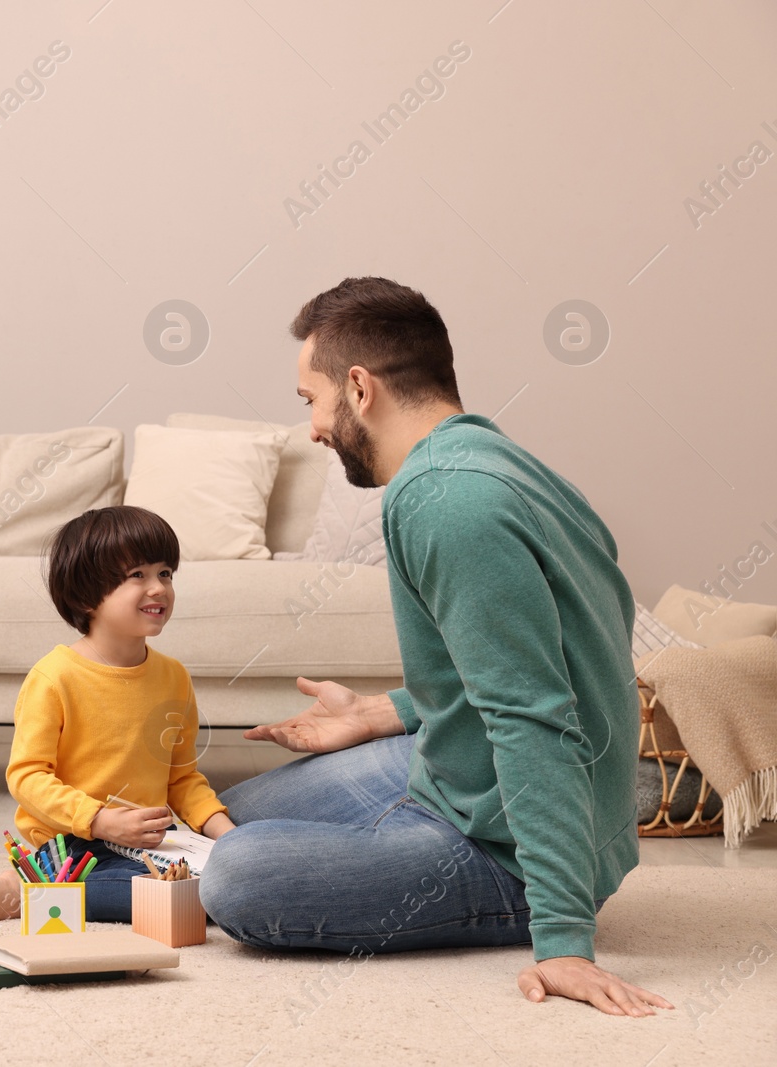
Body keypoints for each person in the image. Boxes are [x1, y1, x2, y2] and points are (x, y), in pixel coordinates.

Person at [199, 277, 673, 1017]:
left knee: (233, 874)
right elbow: (531, 659)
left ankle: (532, 896)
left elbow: (533, 715)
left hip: (508, 846)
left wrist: (563, 939)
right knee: (221, 818)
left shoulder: (449, 502)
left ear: (358, 388)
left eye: (309, 401)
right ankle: (47, 879)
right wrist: (381, 712)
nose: (313, 429)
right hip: (453, 770)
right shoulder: (488, 460)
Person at [0, 506, 236, 922]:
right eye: (137, 575)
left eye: (165, 573)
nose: (157, 587)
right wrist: (100, 820)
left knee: (226, 884)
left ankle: (56, 892)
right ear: (87, 594)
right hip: (72, 846)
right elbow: (27, 777)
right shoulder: (55, 677)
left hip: (151, 841)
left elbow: (181, 778)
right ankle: (30, 891)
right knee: (180, 902)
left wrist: (229, 838)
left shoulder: (173, 676)